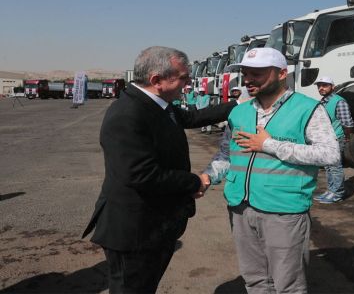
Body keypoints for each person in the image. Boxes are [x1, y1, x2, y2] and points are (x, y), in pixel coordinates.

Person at [82, 46, 237, 293]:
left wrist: (237, 105)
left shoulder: (157, 104)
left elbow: (191, 118)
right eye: (183, 78)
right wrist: (195, 182)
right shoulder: (128, 114)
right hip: (134, 231)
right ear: (157, 80)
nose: (188, 84)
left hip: (154, 227)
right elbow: (141, 174)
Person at [203, 47, 340, 294]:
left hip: (283, 210)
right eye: (245, 72)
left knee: (288, 285)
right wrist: (207, 176)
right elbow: (226, 153)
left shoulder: (307, 108)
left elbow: (329, 154)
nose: (248, 79)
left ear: (281, 74)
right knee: (255, 280)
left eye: (257, 73)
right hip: (241, 207)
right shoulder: (239, 111)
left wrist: (270, 145)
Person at [312, 76, 354, 204]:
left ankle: (338, 193)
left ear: (332, 87)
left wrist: (346, 137)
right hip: (326, 139)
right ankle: (331, 190)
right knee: (328, 166)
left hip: (336, 138)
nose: (321, 88)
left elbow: (347, 123)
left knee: (335, 166)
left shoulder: (339, 102)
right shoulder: (324, 101)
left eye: (324, 85)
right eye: (319, 85)